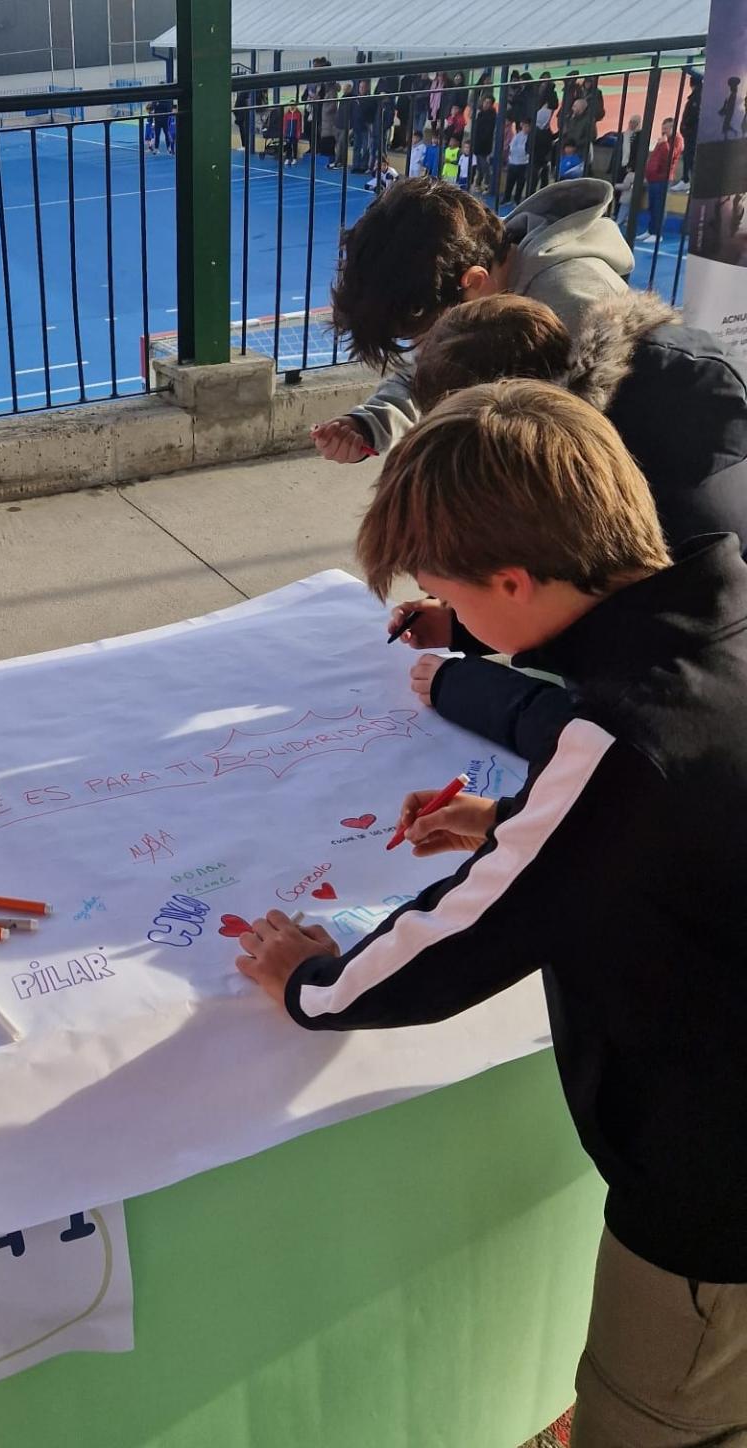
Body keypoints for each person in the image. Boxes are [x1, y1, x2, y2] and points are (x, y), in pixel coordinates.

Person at [238, 378, 747, 1448]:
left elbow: (450, 949)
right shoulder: (724, 628)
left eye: (452, 598)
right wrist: (516, 822)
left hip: (713, 1214)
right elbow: (686, 823)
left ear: (513, 580)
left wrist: (308, 980)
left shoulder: (619, 743)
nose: (456, 623)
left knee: (653, 1420)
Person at [392, 289, 747, 763]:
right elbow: (572, 592)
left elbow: (626, 728)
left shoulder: (653, 504)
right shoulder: (627, 431)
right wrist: (465, 622)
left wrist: (470, 689)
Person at [312, 176, 633, 462]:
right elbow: (431, 372)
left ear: (474, 281)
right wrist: (367, 425)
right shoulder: (473, 263)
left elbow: (590, 450)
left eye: (426, 334)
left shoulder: (574, 305)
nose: (421, 350)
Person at [640, 117, 683, 242]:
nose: (663, 131)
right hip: (653, 178)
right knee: (652, 206)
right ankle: (651, 230)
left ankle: (657, 234)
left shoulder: (676, 140)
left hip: (663, 179)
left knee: (659, 207)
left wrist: (664, 144)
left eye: (666, 128)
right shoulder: (663, 140)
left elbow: (670, 157)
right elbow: (654, 158)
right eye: (662, 128)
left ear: (673, 128)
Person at [559, 95, 598, 177]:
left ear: (581, 108)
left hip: (580, 153)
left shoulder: (589, 120)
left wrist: (575, 146)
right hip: (567, 151)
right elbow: (565, 133)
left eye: (575, 106)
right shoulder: (570, 118)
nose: (572, 108)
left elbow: (592, 136)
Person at [677, 68, 702, 191]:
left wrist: (685, 127)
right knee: (689, 156)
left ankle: (687, 180)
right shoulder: (698, 95)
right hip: (692, 132)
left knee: (689, 156)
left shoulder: (696, 97)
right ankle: (688, 180)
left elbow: (692, 115)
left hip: (692, 133)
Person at [470, 94, 498, 194]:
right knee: (479, 165)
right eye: (485, 102)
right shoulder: (480, 113)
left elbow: (488, 131)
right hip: (478, 142)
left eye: (488, 103)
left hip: (484, 144)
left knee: (484, 165)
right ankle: (478, 184)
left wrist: (482, 139)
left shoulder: (491, 115)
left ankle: (486, 184)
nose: (486, 104)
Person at [504, 120, 531, 204]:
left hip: (523, 163)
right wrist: (518, 150)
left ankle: (517, 200)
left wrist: (518, 149)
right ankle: (506, 198)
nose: (525, 128)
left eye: (527, 126)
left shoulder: (530, 137)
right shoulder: (517, 135)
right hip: (513, 162)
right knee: (509, 182)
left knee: (520, 183)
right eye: (524, 126)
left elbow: (525, 150)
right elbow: (512, 147)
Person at [721, 75, 741, 141]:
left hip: (729, 110)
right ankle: (728, 135)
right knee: (727, 123)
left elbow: (731, 103)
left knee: (726, 123)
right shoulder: (733, 93)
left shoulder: (733, 93)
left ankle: (727, 136)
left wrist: (726, 105)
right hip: (729, 110)